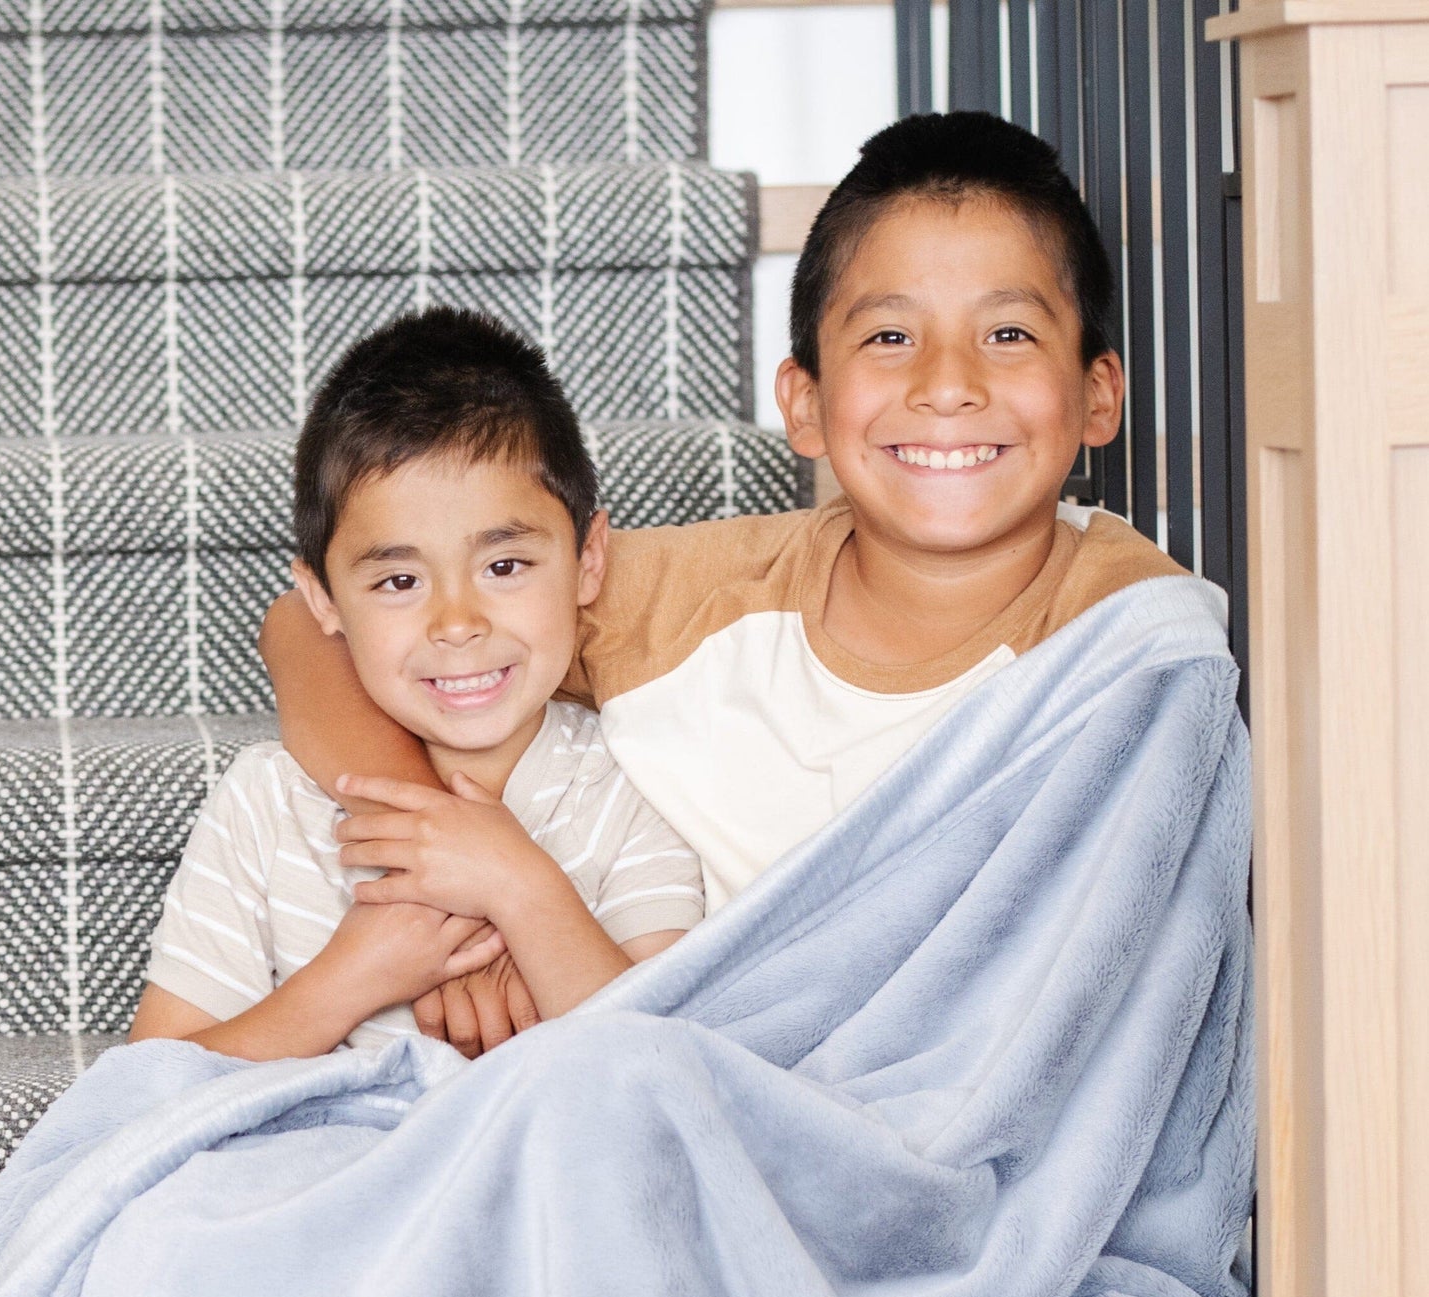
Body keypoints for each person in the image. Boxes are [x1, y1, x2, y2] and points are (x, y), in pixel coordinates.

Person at [260, 109, 1184, 1053]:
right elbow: (309, 629)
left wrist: (500, 890)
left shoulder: (1125, 629)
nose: (948, 385)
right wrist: (445, 879)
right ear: (806, 403)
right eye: (891, 339)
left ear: (1099, 395)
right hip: (677, 1080)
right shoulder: (708, 601)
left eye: (1011, 333)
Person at [129, 307, 704, 1061]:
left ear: (589, 559)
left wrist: (522, 889)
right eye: (399, 580)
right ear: (323, 601)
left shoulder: (638, 781)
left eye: (504, 567)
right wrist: (349, 978)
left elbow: (659, 1071)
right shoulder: (267, 804)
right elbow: (147, 1087)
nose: (456, 622)